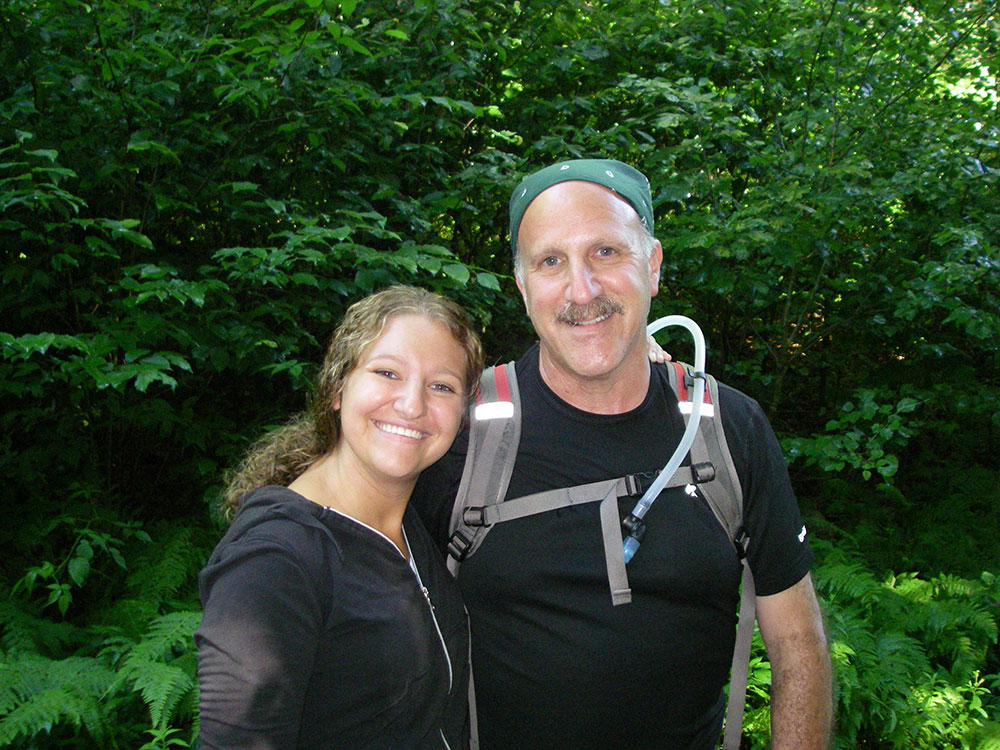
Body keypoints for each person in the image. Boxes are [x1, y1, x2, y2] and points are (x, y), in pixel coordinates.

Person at [412, 159, 833, 749]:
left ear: (653, 265)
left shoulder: (727, 427)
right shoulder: (463, 430)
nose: (582, 291)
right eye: (550, 261)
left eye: (607, 252)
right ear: (522, 285)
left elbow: (799, 646)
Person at [196, 285, 484, 750]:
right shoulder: (276, 561)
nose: (412, 405)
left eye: (441, 386)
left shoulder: (407, 518)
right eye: (387, 372)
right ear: (336, 386)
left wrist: (633, 357)